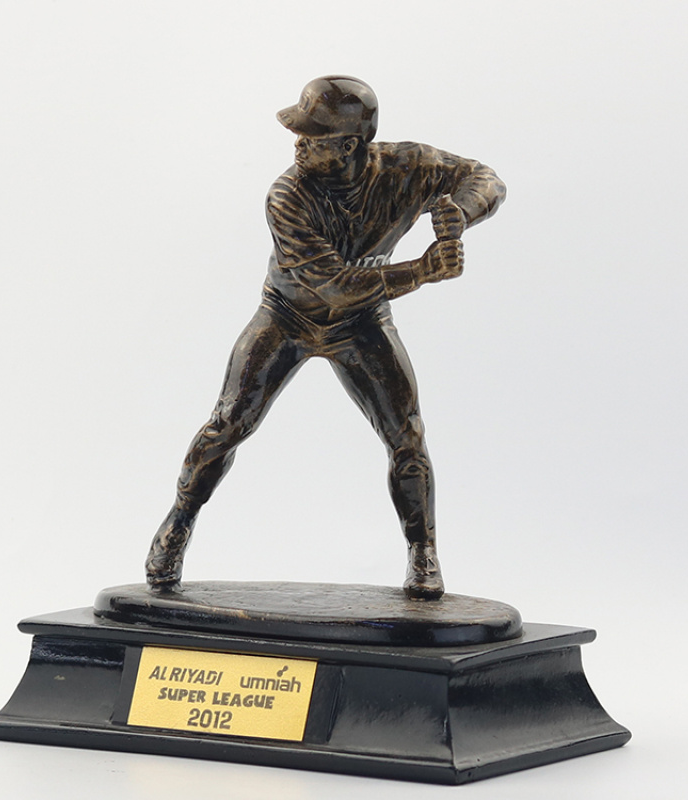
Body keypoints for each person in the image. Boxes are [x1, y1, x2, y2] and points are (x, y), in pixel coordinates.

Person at [145, 76, 505, 599]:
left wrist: (461, 211)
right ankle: (178, 524)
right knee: (228, 422)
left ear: (350, 144)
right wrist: (422, 270)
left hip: (363, 321)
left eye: (313, 137)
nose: (298, 143)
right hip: (286, 315)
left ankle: (423, 552)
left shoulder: (407, 168)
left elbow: (484, 178)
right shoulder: (286, 195)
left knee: (406, 435)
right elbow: (333, 285)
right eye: (300, 133)